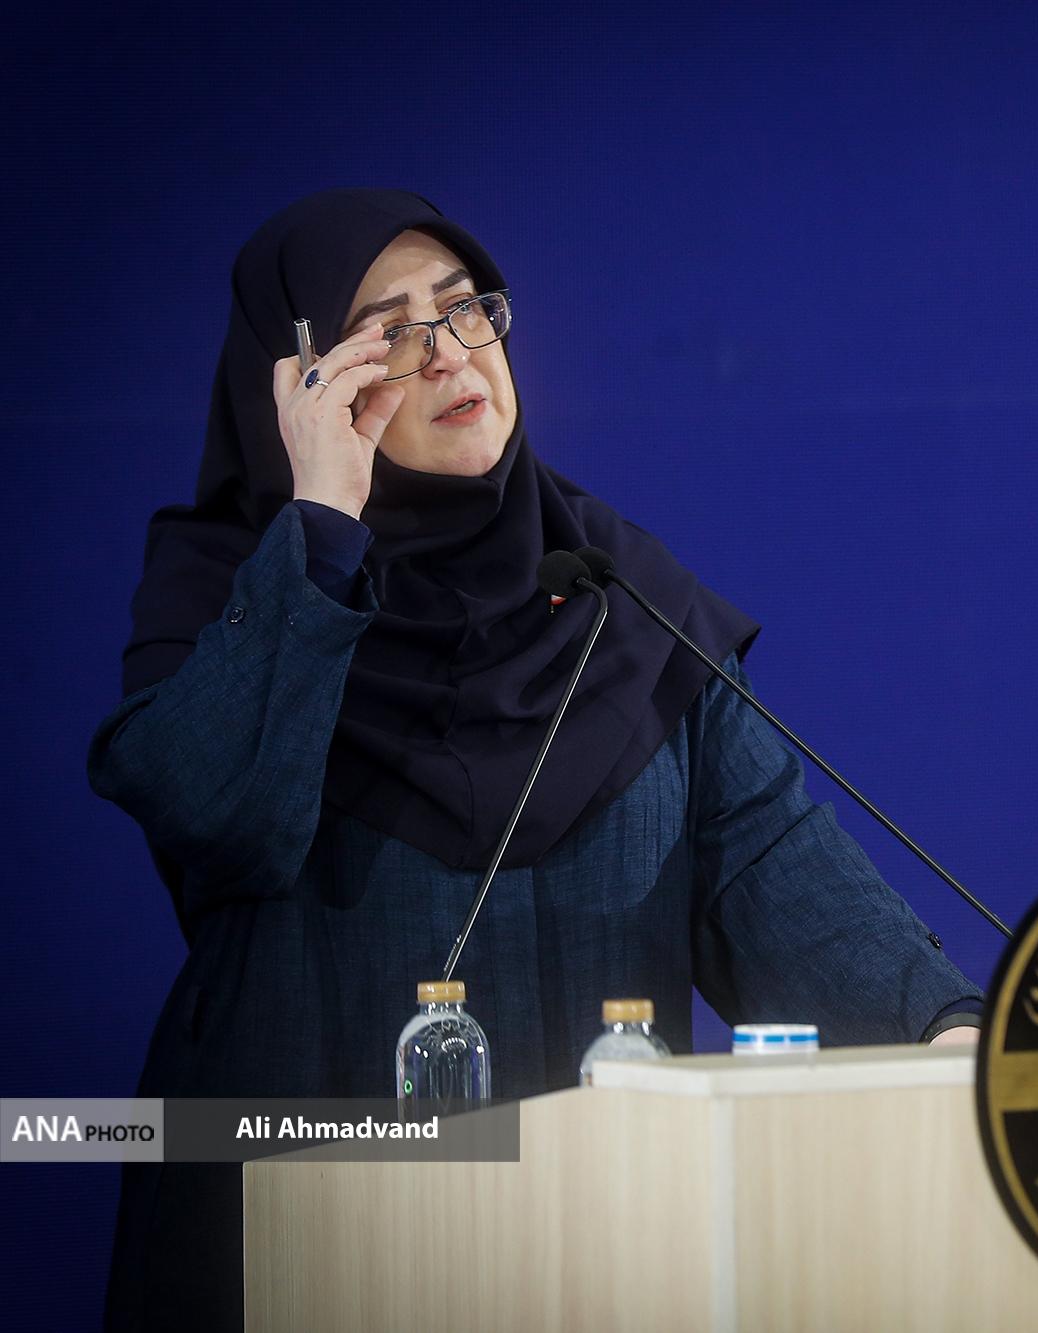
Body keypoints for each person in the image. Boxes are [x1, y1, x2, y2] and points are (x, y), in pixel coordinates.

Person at [87, 188, 983, 1330]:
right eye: (389, 334)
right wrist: (318, 532)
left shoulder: (621, 593)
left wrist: (947, 1037)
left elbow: (772, 865)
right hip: (303, 1242)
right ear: (303, 384)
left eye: (466, 309)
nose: (450, 353)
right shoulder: (228, 592)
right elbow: (216, 815)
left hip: (594, 1247)